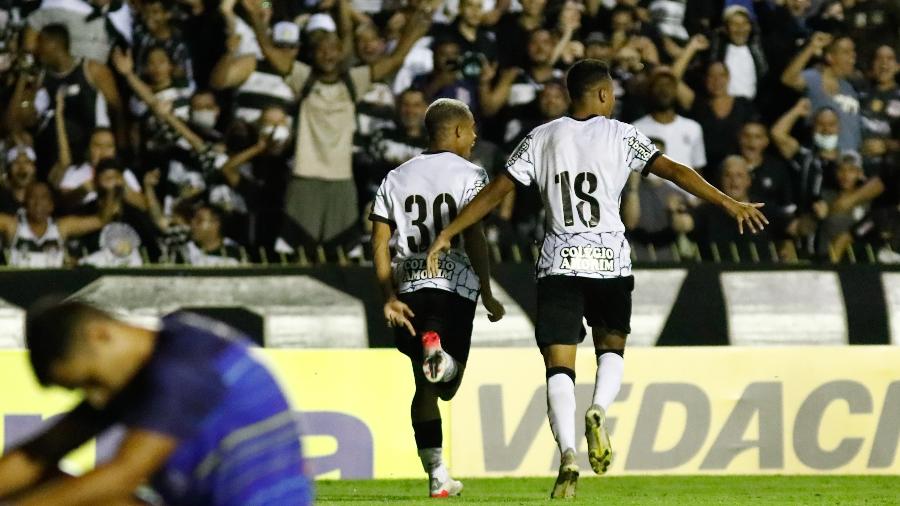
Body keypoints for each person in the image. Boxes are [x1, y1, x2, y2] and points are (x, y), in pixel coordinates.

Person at [424, 59, 766, 498]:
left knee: (558, 368)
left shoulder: (541, 137)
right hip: (609, 262)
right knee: (611, 348)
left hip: (559, 264)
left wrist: (448, 233)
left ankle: (567, 451)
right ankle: (599, 408)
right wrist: (727, 201)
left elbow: (494, 193)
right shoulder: (622, 134)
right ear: (603, 94)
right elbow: (675, 171)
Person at [0, 299, 311, 505]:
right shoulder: (147, 363)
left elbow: (123, 475)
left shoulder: (183, 367)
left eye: (90, 381)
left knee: (90, 496)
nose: (95, 397)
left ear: (101, 335)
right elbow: (36, 456)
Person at [369, 98, 505, 498]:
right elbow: (475, 235)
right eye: (473, 129)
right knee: (447, 383)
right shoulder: (471, 173)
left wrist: (387, 295)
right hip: (453, 286)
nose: (476, 136)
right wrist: (486, 289)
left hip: (409, 287)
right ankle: (441, 355)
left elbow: (379, 241)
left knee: (423, 387)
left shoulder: (395, 177)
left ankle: (437, 474)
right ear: (459, 131)